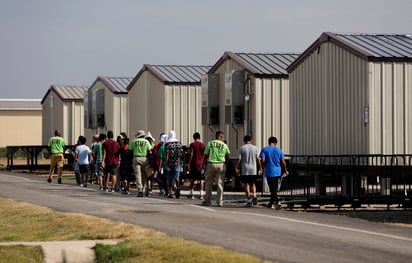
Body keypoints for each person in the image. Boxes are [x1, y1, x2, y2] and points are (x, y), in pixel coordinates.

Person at [259, 136, 289, 210]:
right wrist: (285, 170)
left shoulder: (265, 149)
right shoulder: (279, 150)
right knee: (274, 187)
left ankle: (277, 202)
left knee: (272, 188)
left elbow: (262, 160)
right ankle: (271, 202)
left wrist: (262, 167)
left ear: (269, 142)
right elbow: (283, 161)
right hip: (277, 171)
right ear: (275, 143)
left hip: (269, 171)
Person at [202, 131, 230, 207]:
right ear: (220, 137)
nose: (223, 139)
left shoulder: (210, 143)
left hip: (211, 164)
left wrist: (203, 164)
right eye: (223, 137)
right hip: (221, 164)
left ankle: (207, 200)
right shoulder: (224, 145)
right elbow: (227, 155)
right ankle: (219, 201)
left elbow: (206, 155)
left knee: (208, 183)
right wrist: (225, 163)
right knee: (220, 184)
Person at [234, 135, 260, 207]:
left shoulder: (242, 148)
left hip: (245, 168)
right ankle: (254, 195)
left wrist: (236, 167)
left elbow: (239, 159)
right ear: (251, 140)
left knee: (247, 184)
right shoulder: (255, 148)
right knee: (253, 183)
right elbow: (258, 159)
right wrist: (260, 167)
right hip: (253, 168)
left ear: (244, 140)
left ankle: (249, 200)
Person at [129, 130, 152, 197]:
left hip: (136, 158)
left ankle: (140, 190)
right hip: (144, 158)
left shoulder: (134, 141)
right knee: (144, 174)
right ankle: (143, 188)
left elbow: (130, 150)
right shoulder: (146, 142)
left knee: (138, 175)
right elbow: (150, 151)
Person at [187, 132, 206, 200]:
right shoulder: (203, 145)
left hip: (194, 164)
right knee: (201, 179)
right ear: (199, 137)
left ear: (194, 138)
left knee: (192, 179)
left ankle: (192, 194)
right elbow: (205, 155)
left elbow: (191, 154)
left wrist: (188, 163)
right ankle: (201, 194)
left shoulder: (192, 145)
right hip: (201, 164)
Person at [165, 130, 183, 198]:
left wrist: (166, 164)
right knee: (176, 177)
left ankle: (170, 192)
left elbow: (167, 155)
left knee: (169, 178)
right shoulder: (179, 144)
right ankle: (177, 188)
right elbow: (181, 154)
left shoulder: (168, 144)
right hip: (177, 163)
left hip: (170, 163)